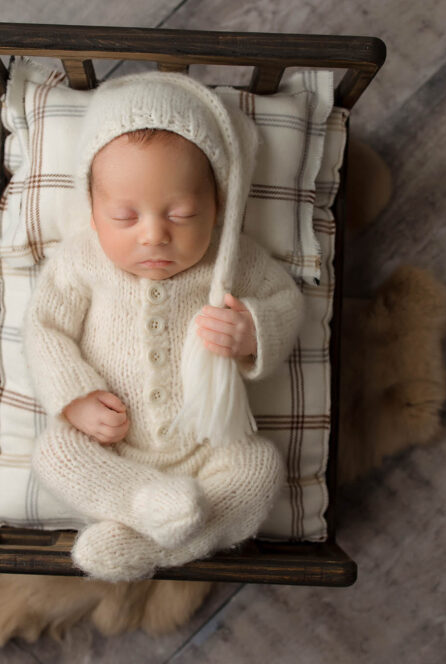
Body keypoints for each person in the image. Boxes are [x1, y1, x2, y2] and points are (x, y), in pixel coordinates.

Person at [22, 71, 304, 582]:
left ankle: (143, 546)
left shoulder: (232, 259)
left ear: (219, 208)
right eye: (126, 217)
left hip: (209, 442)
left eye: (181, 213)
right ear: (93, 211)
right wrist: (76, 398)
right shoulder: (81, 260)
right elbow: (45, 328)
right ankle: (142, 503)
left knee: (260, 469)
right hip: (113, 448)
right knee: (54, 453)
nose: (154, 235)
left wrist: (253, 332)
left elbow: (286, 301)